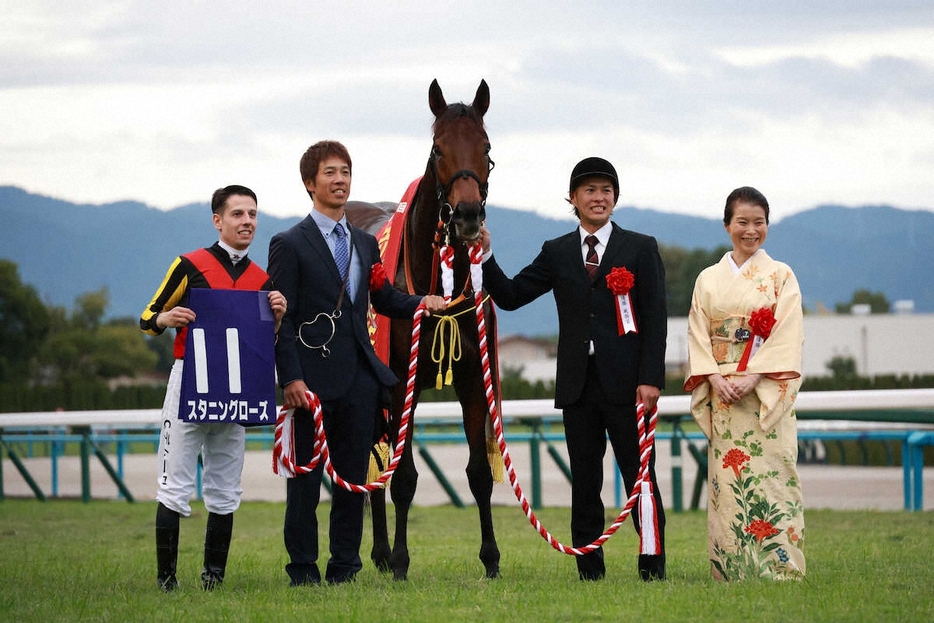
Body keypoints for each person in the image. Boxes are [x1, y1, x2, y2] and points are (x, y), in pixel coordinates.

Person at [480, 156, 668, 582]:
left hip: (630, 386)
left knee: (641, 477)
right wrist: (486, 254)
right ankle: (589, 570)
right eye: (589, 190)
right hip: (577, 386)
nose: (598, 198)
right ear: (573, 199)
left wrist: (651, 377)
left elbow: (656, 318)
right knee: (585, 482)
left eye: (606, 190)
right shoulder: (558, 251)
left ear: (615, 198)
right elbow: (510, 295)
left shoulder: (640, 247)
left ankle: (652, 565)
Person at [268, 140, 445, 586]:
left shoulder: (366, 243)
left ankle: (344, 567)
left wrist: (421, 302)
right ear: (310, 183)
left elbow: (382, 298)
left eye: (345, 171)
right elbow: (280, 319)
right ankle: (303, 569)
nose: (340, 179)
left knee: (352, 481)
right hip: (308, 381)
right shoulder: (288, 243)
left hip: (360, 379)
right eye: (330, 172)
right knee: (305, 484)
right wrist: (289, 376)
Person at [140, 185, 287, 592]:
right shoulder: (189, 265)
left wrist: (276, 321)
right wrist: (167, 317)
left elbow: (264, 345)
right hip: (188, 381)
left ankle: (213, 579)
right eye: (238, 214)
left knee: (225, 488)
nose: (247, 222)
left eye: (253, 214)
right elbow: (147, 315)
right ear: (218, 220)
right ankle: (167, 581)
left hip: (236, 388)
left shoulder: (263, 279)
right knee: (175, 484)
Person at [683, 186, 805, 581]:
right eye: (742, 222)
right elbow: (698, 333)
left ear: (767, 225)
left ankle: (778, 567)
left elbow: (789, 334)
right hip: (723, 395)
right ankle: (732, 568)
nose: (751, 231)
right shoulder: (707, 279)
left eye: (759, 222)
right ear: (727, 225)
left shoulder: (781, 276)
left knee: (773, 475)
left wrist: (754, 376)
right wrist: (716, 377)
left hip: (764, 393)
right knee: (728, 482)